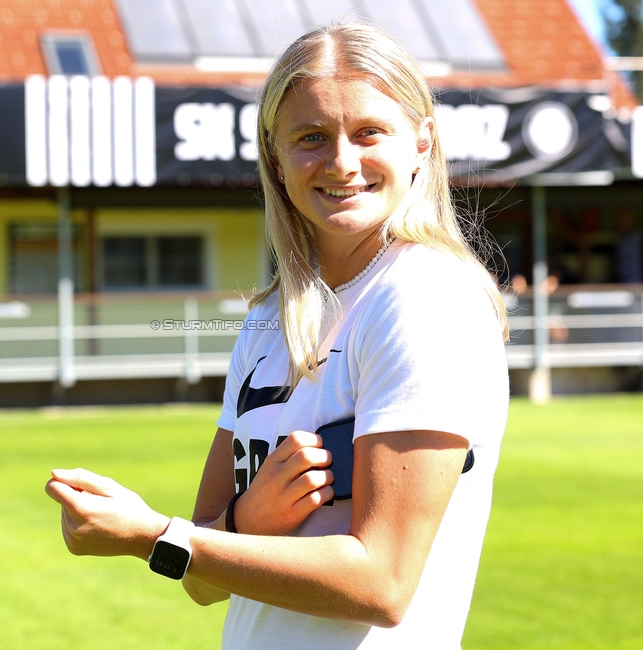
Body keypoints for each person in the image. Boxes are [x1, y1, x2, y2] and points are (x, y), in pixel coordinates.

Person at [46, 22, 510, 649]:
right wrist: (244, 520)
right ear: (275, 154)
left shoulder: (424, 297)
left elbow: (384, 584)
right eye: (311, 137)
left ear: (422, 141)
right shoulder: (274, 317)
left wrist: (152, 535)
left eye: (369, 131)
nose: (342, 162)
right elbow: (202, 581)